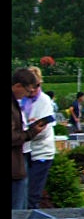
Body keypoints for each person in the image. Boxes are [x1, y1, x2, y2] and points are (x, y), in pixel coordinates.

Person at [12, 68, 48, 210]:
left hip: (18, 162)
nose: (29, 94)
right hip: (15, 167)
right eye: (28, 91)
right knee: (18, 212)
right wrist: (31, 132)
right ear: (18, 86)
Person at [21, 75, 58, 209]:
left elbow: (44, 130)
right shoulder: (20, 100)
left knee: (32, 194)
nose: (33, 90)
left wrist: (27, 132)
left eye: (36, 86)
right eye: (29, 86)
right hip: (25, 150)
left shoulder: (44, 101)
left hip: (40, 152)